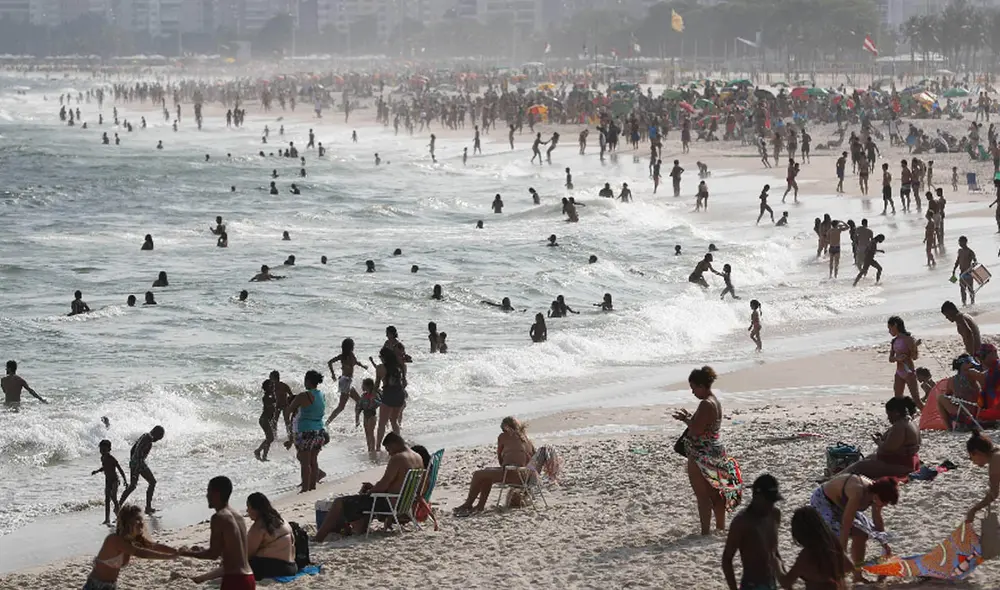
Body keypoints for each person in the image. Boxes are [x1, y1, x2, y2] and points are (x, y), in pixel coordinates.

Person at [313, 432, 423, 540]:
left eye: (389, 449)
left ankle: (319, 537)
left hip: (389, 503)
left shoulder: (398, 458)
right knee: (362, 501)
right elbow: (399, 483)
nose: (389, 454)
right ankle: (360, 529)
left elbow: (383, 485)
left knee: (339, 502)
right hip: (405, 502)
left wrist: (370, 491)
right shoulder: (417, 457)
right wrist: (373, 488)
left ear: (395, 444)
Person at [672, 366, 743, 535]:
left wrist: (685, 420)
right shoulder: (715, 401)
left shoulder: (705, 404)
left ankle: (705, 531)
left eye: (693, 388)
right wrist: (691, 418)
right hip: (716, 451)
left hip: (700, 454)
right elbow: (706, 425)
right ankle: (720, 527)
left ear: (701, 386)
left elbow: (696, 429)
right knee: (716, 493)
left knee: (702, 495)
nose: (693, 392)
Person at [810, 474, 897, 582]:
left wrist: (885, 545)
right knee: (836, 541)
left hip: (842, 506)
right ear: (877, 496)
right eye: (885, 503)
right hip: (824, 502)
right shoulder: (857, 492)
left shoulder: (876, 495)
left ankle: (857, 575)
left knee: (862, 534)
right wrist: (843, 553)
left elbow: (877, 521)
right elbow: (845, 525)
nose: (884, 506)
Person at [182, 476, 255, 589]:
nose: (207, 496)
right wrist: (201, 550)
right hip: (249, 577)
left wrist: (185, 553)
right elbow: (234, 550)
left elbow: (213, 555)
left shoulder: (219, 517)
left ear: (216, 493)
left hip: (234, 579)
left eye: (208, 491)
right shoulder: (238, 516)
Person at [454, 417, 536, 516]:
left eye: (502, 428)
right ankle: (480, 506)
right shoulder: (527, 440)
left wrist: (506, 460)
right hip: (525, 477)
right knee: (487, 474)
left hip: (512, 474)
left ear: (506, 427)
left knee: (477, 475)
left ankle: (468, 504)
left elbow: (500, 460)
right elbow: (532, 460)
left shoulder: (503, 436)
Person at [83, 505, 178, 590]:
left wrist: (176, 552)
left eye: (141, 519)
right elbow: (141, 553)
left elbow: (154, 546)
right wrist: (168, 557)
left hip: (111, 586)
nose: (141, 523)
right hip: (95, 586)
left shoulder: (131, 540)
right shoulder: (114, 540)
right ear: (127, 523)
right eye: (137, 520)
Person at [721, 474, 783, 590]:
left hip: (772, 582)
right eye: (768, 501)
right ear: (757, 497)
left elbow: (774, 550)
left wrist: (784, 580)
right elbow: (727, 559)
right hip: (752, 585)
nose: (771, 506)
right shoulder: (742, 523)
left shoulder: (775, 515)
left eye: (773, 501)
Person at [779, 506, 852, 590]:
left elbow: (786, 582)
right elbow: (849, 566)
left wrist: (777, 564)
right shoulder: (831, 543)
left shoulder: (806, 555)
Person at [845, 397, 920, 478]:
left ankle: (834, 481)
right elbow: (899, 443)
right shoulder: (911, 422)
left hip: (901, 465)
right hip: (906, 461)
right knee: (869, 457)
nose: (888, 418)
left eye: (889, 415)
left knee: (859, 466)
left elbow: (889, 448)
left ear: (896, 413)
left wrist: (878, 441)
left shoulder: (899, 426)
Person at [285, 370, 328, 493]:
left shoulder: (304, 395)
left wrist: (289, 426)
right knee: (313, 461)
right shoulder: (321, 394)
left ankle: (305, 489)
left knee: (305, 463)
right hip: (319, 430)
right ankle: (312, 487)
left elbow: (289, 411)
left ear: (308, 381)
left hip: (305, 431)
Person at [244, 493, 296, 581]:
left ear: (255, 509)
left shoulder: (259, 526)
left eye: (248, 507)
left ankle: (211, 576)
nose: (247, 511)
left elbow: (247, 554)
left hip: (273, 569)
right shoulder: (281, 520)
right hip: (292, 567)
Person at [119, 425, 165, 514]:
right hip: (139, 463)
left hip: (134, 462)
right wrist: (137, 465)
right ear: (156, 433)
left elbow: (132, 450)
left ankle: (118, 505)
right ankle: (148, 507)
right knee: (152, 482)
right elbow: (139, 451)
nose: (157, 440)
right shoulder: (148, 438)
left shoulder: (145, 435)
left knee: (132, 486)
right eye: (159, 438)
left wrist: (132, 461)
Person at [936, 353, 984, 430]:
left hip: (962, 413)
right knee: (941, 398)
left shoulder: (952, 380)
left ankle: (949, 428)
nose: (971, 364)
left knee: (941, 398)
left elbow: (948, 395)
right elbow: (983, 377)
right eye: (969, 362)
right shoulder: (972, 374)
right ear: (962, 365)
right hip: (973, 412)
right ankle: (953, 427)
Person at [325, 338, 367, 425]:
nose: (354, 347)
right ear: (350, 347)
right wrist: (333, 374)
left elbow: (330, 362)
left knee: (358, 402)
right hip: (346, 381)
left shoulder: (346, 356)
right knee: (342, 406)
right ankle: (326, 423)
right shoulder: (347, 356)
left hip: (345, 381)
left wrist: (363, 366)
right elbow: (330, 362)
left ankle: (357, 423)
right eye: (353, 346)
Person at [964, 430, 1000, 525]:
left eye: (971, 457)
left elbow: (994, 494)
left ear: (977, 452)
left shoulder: (995, 461)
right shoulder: (997, 454)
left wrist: (974, 510)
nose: (973, 462)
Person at [887, 316, 923, 410]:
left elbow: (914, 357)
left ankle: (931, 416)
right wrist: (896, 358)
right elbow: (890, 359)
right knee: (898, 399)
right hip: (899, 372)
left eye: (890, 328)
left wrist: (915, 347)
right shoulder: (894, 341)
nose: (889, 331)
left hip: (909, 372)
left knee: (916, 400)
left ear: (895, 325)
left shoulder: (908, 339)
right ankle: (902, 419)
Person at [375, 347, 407, 447]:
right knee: (394, 421)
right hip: (399, 395)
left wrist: (373, 394)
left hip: (388, 396)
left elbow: (376, 385)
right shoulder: (400, 367)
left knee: (382, 423)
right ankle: (400, 443)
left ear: (384, 357)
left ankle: (378, 446)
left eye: (380, 356)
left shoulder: (380, 368)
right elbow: (404, 383)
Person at [92, 439, 127, 525]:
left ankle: (119, 517)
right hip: (107, 481)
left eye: (104, 450)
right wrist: (97, 471)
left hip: (115, 480)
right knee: (107, 500)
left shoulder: (112, 459)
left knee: (114, 498)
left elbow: (120, 469)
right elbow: (104, 467)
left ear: (109, 449)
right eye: (101, 449)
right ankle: (107, 519)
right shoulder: (102, 458)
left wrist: (125, 480)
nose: (102, 451)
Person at [253, 380, 278, 462]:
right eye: (271, 386)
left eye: (273, 386)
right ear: (266, 388)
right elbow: (271, 404)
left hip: (267, 420)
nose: (273, 387)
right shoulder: (266, 397)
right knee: (270, 438)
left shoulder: (271, 396)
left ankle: (264, 456)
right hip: (264, 420)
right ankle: (258, 451)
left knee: (269, 438)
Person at [355, 378, 380, 453]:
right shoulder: (363, 395)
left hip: (372, 415)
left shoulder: (374, 394)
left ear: (368, 386)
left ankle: (372, 448)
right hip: (365, 415)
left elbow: (380, 403)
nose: (362, 387)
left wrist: (373, 400)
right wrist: (357, 418)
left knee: (370, 432)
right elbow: (359, 406)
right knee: (367, 433)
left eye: (363, 385)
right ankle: (369, 448)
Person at [952, 236, 978, 306]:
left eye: (960, 242)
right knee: (962, 289)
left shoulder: (970, 251)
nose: (959, 243)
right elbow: (957, 261)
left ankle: (972, 302)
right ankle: (964, 303)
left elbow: (975, 261)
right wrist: (954, 269)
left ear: (965, 242)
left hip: (969, 273)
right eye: (959, 242)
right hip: (962, 273)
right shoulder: (960, 251)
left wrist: (974, 264)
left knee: (970, 289)